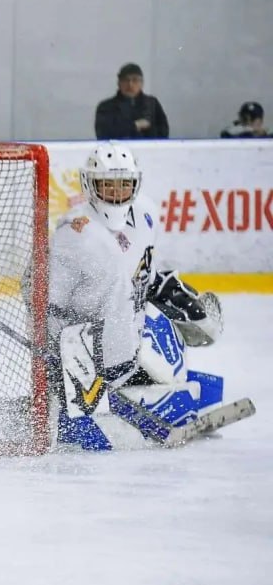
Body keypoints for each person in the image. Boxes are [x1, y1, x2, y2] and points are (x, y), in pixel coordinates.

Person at [48, 142, 225, 450]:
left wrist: (165, 287)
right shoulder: (74, 233)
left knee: (168, 361)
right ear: (90, 184)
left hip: (128, 336)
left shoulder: (146, 213)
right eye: (107, 184)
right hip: (86, 347)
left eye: (124, 184)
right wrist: (56, 356)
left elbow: (142, 271)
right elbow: (50, 302)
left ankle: (150, 384)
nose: (117, 192)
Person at [94, 63, 169, 140]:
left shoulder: (152, 104)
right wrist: (135, 125)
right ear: (119, 83)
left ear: (142, 83)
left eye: (135, 80)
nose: (130, 84)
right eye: (126, 80)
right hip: (118, 148)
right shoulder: (106, 106)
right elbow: (102, 133)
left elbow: (163, 133)